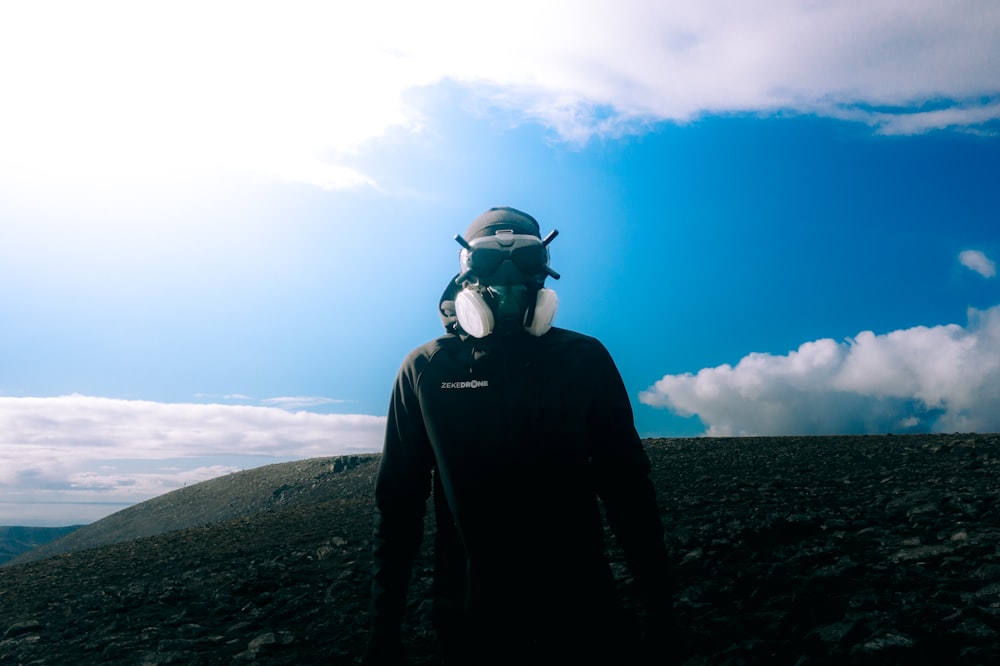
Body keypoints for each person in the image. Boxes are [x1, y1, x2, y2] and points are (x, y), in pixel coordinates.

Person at [364, 207, 675, 665]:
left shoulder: (583, 360)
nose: (509, 278)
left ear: (544, 272)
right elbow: (398, 507)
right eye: (490, 260)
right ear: (465, 273)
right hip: (473, 625)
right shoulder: (426, 371)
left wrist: (661, 614)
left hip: (585, 619)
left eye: (527, 260)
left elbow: (628, 490)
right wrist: (382, 636)